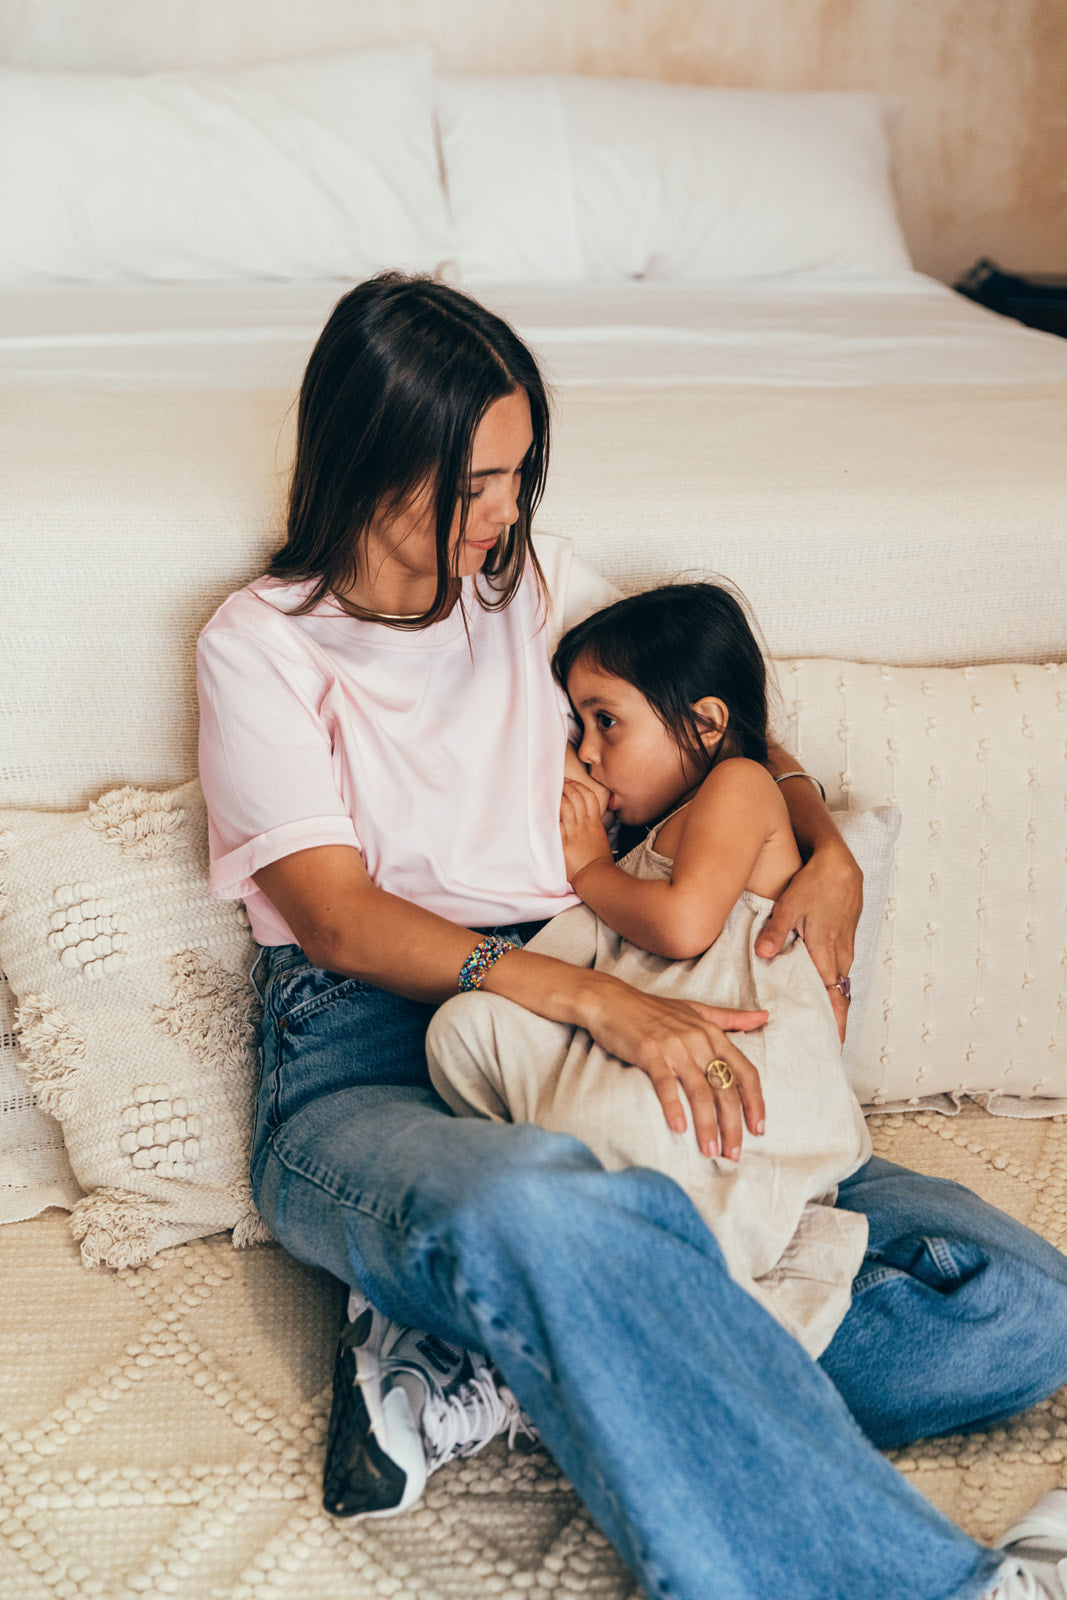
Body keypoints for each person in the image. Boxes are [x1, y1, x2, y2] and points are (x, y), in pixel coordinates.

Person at [196, 270, 1067, 1600]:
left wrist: (820, 850)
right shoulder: (257, 645)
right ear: (366, 452)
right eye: (467, 483)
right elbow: (337, 912)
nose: (496, 520)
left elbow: (718, 713)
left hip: (600, 1027)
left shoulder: (525, 585)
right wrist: (585, 998)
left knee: (1013, 1303)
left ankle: (510, 1364)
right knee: (540, 1205)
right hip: (368, 1053)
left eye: (512, 478)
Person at [428, 581, 872, 1359]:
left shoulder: (739, 787)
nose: (589, 754)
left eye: (607, 722)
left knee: (619, 1125)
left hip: (747, 1058)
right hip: (651, 1037)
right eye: (579, 725)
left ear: (704, 724)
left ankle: (662, 1284)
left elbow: (682, 925)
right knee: (462, 1029)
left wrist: (592, 870)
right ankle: (578, 1198)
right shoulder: (658, 826)